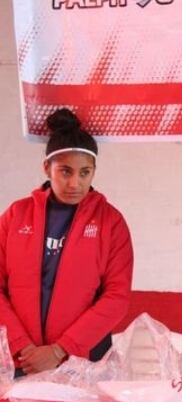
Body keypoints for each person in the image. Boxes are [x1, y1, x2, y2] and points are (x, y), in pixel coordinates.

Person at [0, 108, 134, 376]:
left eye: (85, 172)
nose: (75, 183)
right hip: (18, 358)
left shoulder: (111, 222)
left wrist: (60, 350)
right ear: (46, 168)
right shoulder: (16, 215)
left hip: (83, 360)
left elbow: (116, 297)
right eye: (65, 171)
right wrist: (21, 346)